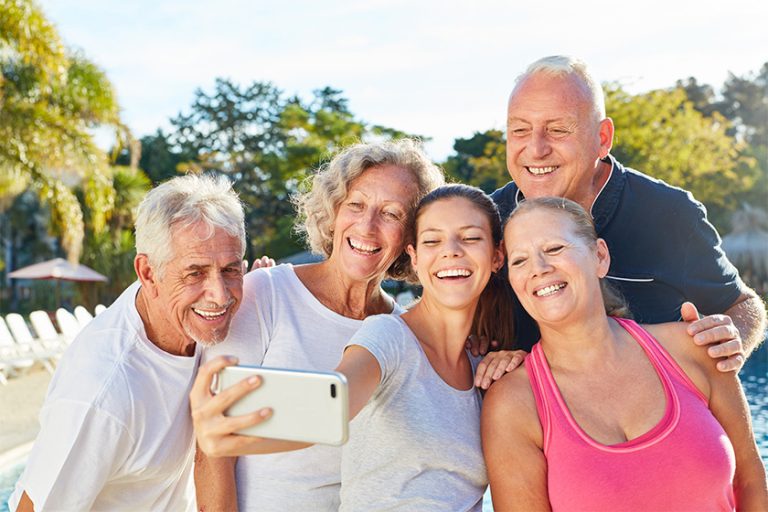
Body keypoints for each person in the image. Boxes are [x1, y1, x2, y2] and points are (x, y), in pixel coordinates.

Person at [193, 184, 517, 511]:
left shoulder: (484, 366)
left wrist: (517, 364)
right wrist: (226, 431)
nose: (451, 251)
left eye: (471, 238)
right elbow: (332, 405)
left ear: (497, 256)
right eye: (432, 240)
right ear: (414, 258)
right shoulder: (388, 335)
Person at [482, 197, 768, 510]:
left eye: (554, 249)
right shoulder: (513, 403)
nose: (539, 268)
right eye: (520, 261)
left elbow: (750, 481)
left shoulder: (692, 348)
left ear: (600, 257)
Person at [491, 55, 766, 369]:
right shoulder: (488, 221)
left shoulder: (668, 214)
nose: (536, 149)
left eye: (557, 130)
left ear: (602, 138)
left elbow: (743, 304)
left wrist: (733, 339)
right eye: (520, 131)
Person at [9, 174, 246, 511]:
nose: (220, 295)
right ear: (148, 274)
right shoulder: (101, 394)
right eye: (195, 273)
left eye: (230, 269)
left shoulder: (192, 314)